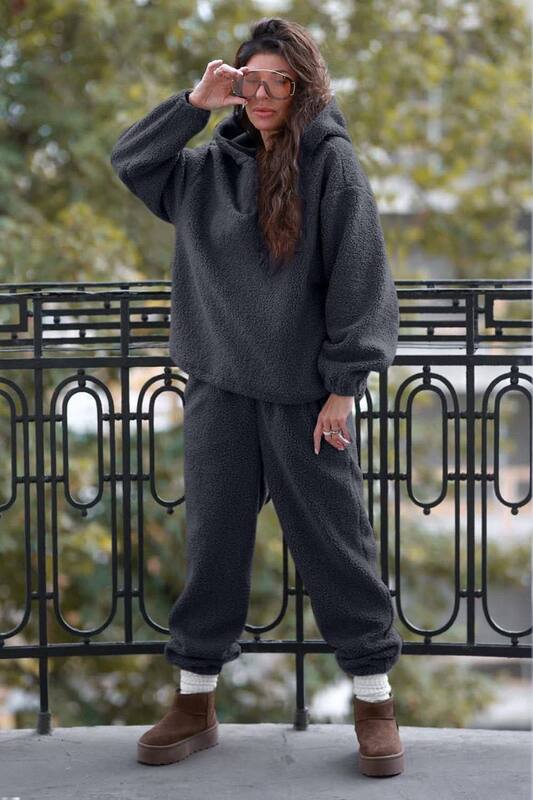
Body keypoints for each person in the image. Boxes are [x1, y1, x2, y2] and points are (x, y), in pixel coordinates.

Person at [110, 17, 404, 778]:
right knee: (212, 546)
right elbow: (131, 160)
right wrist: (193, 103)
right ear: (235, 87)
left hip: (304, 397)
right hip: (217, 387)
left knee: (337, 546)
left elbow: (361, 278)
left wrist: (342, 388)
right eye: (252, 80)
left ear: (305, 86)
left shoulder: (330, 164)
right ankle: (194, 702)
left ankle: (374, 703)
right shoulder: (204, 169)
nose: (265, 94)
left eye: (281, 80)